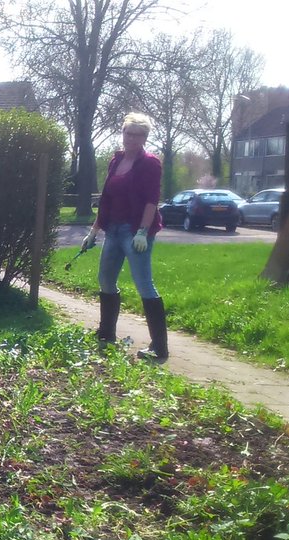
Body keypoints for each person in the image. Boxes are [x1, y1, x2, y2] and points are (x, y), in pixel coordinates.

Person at [80, 112, 168, 361]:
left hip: (135, 232)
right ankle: (106, 333)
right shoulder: (115, 160)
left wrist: (142, 232)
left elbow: (152, 200)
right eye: (127, 133)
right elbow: (106, 198)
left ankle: (159, 347)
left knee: (144, 284)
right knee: (105, 279)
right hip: (113, 229)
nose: (130, 138)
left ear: (144, 138)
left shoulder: (150, 163)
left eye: (137, 134)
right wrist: (94, 230)